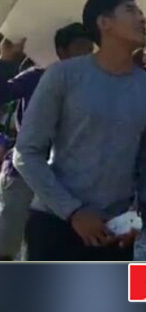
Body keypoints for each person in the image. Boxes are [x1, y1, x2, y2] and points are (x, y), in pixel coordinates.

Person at [13, 0, 146, 261]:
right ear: (104, 22)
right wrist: (73, 211)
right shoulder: (63, 75)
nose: (142, 19)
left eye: (142, 13)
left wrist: (141, 212)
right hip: (54, 224)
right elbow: (26, 152)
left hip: (114, 232)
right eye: (131, 11)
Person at [0, 23, 93, 260]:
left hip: (64, 182)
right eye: (79, 47)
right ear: (62, 51)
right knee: (6, 246)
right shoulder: (37, 77)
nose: (86, 54)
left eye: (89, 48)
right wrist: (5, 61)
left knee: (44, 249)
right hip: (23, 174)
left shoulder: (95, 86)